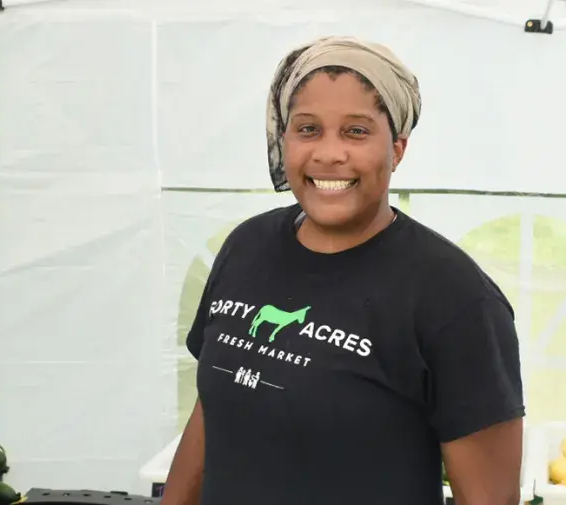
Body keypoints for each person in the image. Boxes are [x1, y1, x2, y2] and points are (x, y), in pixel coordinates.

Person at [160, 35, 524, 505]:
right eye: (308, 129)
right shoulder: (245, 246)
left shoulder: (455, 299)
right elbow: (211, 413)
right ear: (283, 138)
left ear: (397, 149)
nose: (329, 154)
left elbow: (488, 498)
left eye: (356, 131)